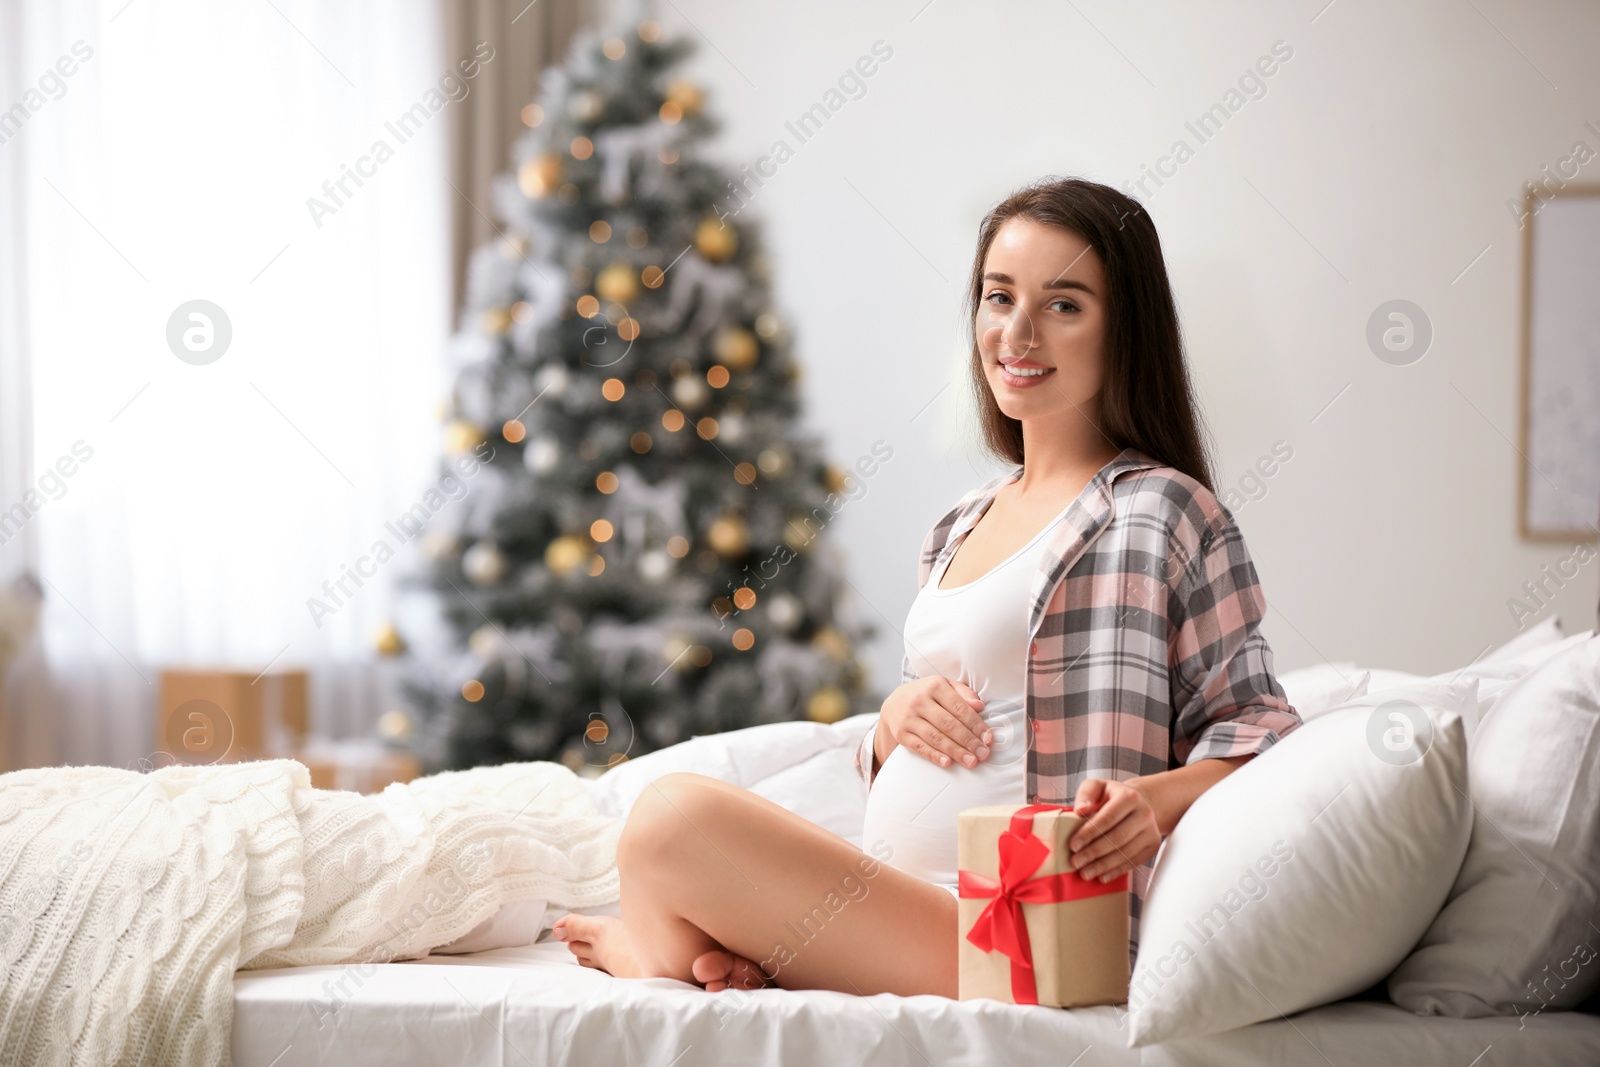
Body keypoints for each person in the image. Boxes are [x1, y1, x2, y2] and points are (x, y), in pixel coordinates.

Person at [552, 175, 1302, 997]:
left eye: (1063, 305)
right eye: (997, 296)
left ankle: (658, 953)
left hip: (1028, 919)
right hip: (907, 903)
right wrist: (890, 729)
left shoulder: (1164, 513)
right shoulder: (958, 525)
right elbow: (924, 751)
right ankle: (706, 951)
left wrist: (1152, 802)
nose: (1016, 332)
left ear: (1124, 330)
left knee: (670, 820)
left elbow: (1262, 725)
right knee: (656, 834)